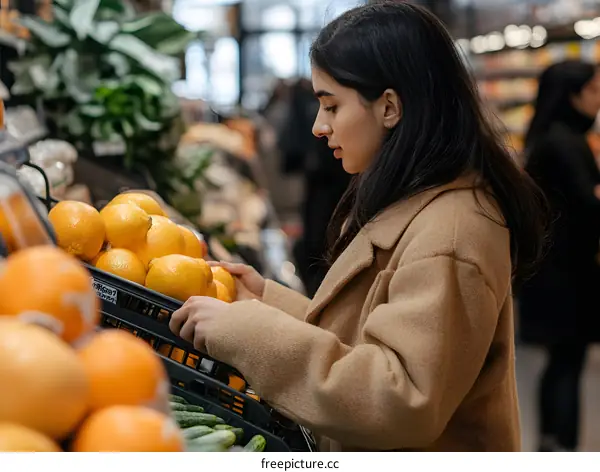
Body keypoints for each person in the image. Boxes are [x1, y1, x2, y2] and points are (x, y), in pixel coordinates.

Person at [169, 2, 548, 451]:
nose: (317, 126)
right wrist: (267, 303)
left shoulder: (450, 234)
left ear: (389, 107)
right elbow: (368, 337)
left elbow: (398, 398)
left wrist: (245, 332)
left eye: (331, 105)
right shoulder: (420, 202)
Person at [518, 60, 600, 452]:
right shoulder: (564, 142)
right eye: (593, 92)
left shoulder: (546, 138)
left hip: (553, 273)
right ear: (572, 95)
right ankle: (561, 448)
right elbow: (588, 203)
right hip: (568, 276)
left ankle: (552, 445)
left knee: (560, 362)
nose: (598, 101)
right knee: (568, 361)